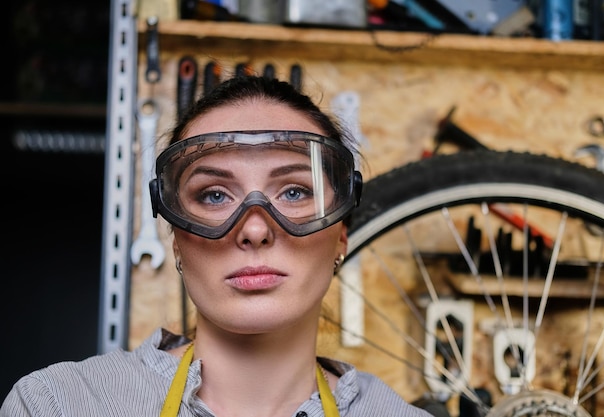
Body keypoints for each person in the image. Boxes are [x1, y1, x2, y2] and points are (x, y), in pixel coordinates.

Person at [1, 75, 433, 417]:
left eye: (295, 193)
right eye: (213, 196)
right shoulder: (58, 406)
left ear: (341, 233)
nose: (254, 231)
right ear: (176, 239)